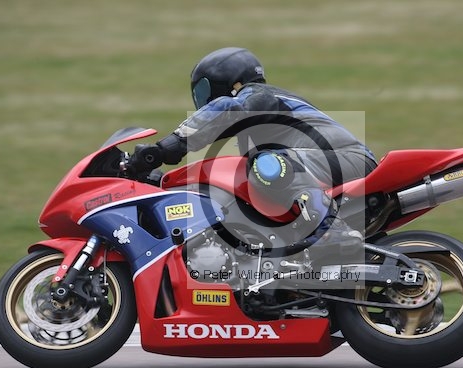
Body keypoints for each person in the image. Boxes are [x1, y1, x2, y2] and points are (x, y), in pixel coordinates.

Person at [129, 47, 377, 255]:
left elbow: (226, 110)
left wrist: (166, 148)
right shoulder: (258, 128)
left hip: (349, 160)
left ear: (231, 82)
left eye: (203, 91)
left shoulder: (258, 95)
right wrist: (160, 182)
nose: (203, 100)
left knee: (265, 164)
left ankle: (332, 231)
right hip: (328, 167)